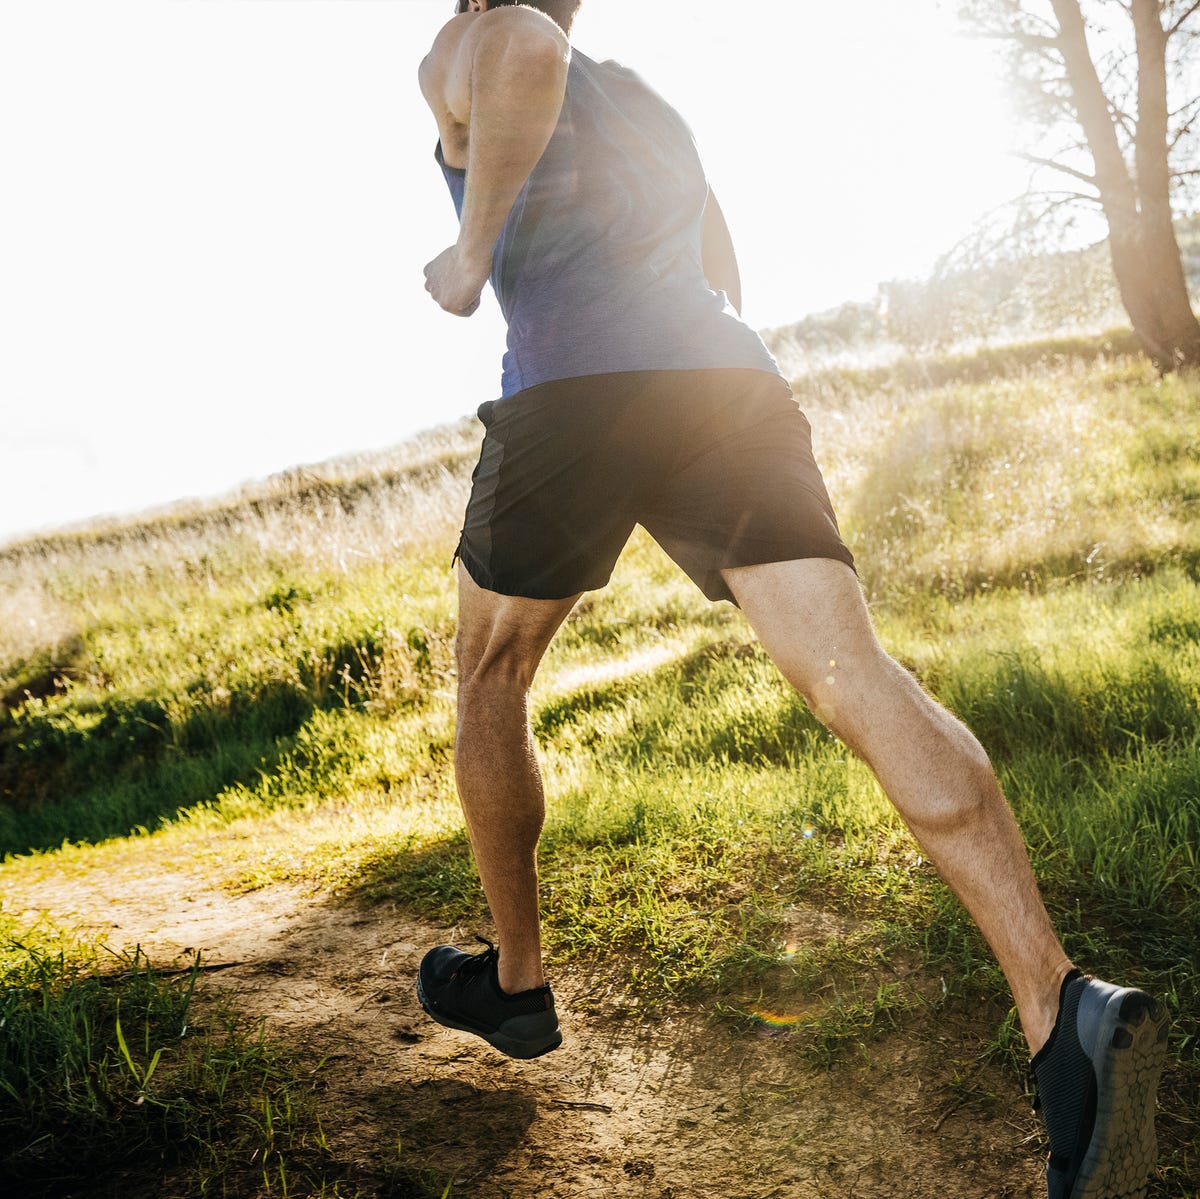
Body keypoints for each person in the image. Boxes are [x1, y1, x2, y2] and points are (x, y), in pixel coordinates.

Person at [413, 2, 1169, 1195]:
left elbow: (518, 52)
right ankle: (1057, 1003)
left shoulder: (480, 34)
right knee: (855, 676)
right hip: (725, 383)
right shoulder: (652, 104)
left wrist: (473, 253)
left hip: (574, 388)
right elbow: (723, 266)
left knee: (490, 669)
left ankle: (515, 979)